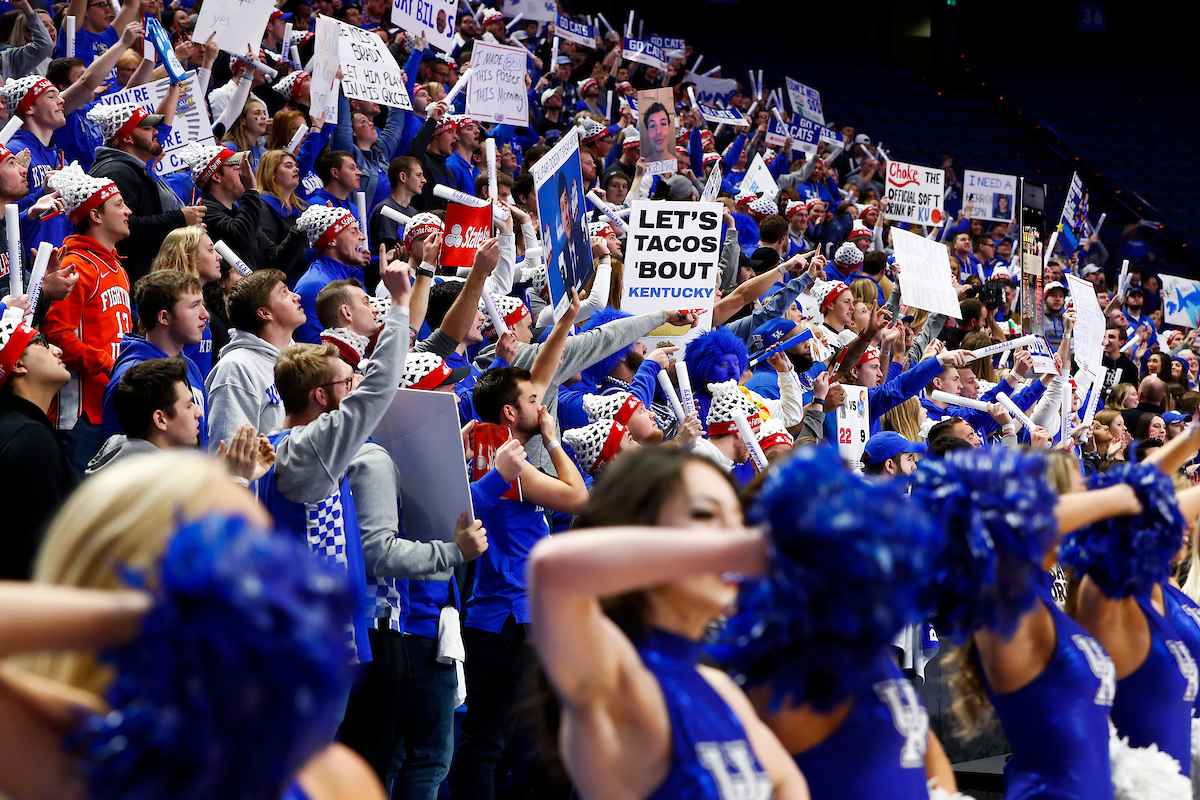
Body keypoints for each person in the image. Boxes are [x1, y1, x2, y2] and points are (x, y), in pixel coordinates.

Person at [15, 452, 387, 800]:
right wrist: (148, 618)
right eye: (235, 561)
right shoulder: (81, 760)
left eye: (265, 554)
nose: (263, 591)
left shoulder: (330, 775)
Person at [527, 446, 808, 799]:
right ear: (639, 533)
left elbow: (788, 782)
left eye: (738, 519)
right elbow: (553, 568)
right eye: (705, 515)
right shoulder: (616, 678)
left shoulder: (719, 688)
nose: (733, 534)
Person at [915, 448, 1147, 798]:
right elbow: (1008, 526)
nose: (1091, 498)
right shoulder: (1008, 596)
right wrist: (1120, 497)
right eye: (1080, 489)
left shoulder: (1043, 597)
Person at [450, 294, 591, 800]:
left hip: (503, 614)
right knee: (491, 741)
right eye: (534, 403)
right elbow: (578, 499)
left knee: (506, 738)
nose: (544, 405)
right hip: (511, 618)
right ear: (511, 412)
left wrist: (568, 319)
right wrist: (555, 441)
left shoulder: (488, 449)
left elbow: (540, 375)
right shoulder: (510, 466)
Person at [40, 163, 132, 471]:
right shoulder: (76, 265)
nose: (128, 211)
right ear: (95, 215)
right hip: (81, 415)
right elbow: (55, 334)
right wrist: (109, 365)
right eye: (119, 205)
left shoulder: (118, 267)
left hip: (113, 404)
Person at [88, 101, 205, 285]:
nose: (156, 132)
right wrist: (179, 219)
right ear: (128, 137)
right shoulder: (115, 172)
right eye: (148, 128)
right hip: (131, 284)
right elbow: (124, 230)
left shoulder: (129, 169)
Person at [0, 305, 75, 580]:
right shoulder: (30, 441)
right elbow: (41, 553)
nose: (57, 350)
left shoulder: (19, 428)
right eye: (41, 343)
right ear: (17, 364)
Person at [100, 270, 209, 449]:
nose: (204, 314)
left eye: (202, 305)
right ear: (164, 317)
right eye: (194, 306)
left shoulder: (190, 367)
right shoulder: (130, 380)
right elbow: (121, 455)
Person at [205, 268, 305, 451]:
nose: (296, 296)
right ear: (264, 313)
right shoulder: (235, 369)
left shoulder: (298, 355)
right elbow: (229, 456)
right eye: (284, 293)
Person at [179, 141, 307, 273]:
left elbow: (275, 262)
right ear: (216, 176)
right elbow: (241, 237)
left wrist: (300, 230)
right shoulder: (203, 212)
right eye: (236, 168)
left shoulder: (237, 212)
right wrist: (251, 190)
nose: (245, 173)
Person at [150, 226, 224, 376]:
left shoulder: (200, 307)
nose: (219, 257)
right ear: (189, 258)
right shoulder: (170, 305)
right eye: (210, 250)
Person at [294, 206, 371, 344]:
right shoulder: (313, 285)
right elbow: (316, 349)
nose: (362, 236)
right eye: (353, 232)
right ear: (332, 241)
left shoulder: (350, 275)